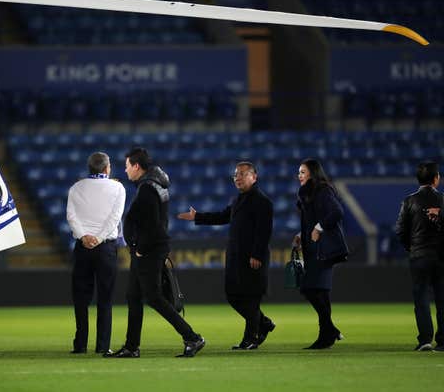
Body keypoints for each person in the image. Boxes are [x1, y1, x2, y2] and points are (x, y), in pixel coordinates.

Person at [105, 147, 205, 358]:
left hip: (149, 250)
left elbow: (153, 225)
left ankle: (192, 337)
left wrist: (140, 249)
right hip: (149, 249)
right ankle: (132, 347)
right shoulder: (153, 184)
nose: (125, 171)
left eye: (127, 166)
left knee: (154, 297)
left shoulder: (148, 189)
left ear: (137, 166)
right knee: (133, 296)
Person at [177, 161, 275, 350]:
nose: (238, 178)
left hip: (252, 257)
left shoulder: (262, 201)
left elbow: (264, 232)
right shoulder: (238, 200)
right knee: (233, 295)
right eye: (236, 175)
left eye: (242, 174)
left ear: (254, 177)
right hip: (236, 256)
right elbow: (223, 216)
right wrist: (198, 217)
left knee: (251, 298)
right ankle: (264, 323)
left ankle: (251, 338)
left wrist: (257, 255)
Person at [66, 152, 126, 354]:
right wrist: (99, 238)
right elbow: (115, 218)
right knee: (105, 298)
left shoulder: (76, 187)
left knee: (81, 298)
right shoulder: (118, 188)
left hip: (82, 248)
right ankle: (103, 346)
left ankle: (80, 344)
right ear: (107, 168)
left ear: (89, 167)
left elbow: (71, 217)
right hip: (106, 248)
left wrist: (84, 237)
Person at [293, 158, 346, 349]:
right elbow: (312, 219)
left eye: (303, 172)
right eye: (299, 172)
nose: (299, 175)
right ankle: (327, 334)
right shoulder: (308, 193)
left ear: (313, 174)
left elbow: (337, 212)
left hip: (323, 250)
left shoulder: (323, 190)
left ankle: (328, 332)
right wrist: (302, 234)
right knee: (319, 292)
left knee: (310, 289)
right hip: (313, 248)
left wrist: (319, 227)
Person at [395, 161, 444, 352]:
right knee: (442, 299)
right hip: (441, 257)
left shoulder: (409, 201)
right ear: (436, 179)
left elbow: (400, 230)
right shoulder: (443, 200)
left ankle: (425, 339)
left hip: (419, 256)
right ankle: (442, 341)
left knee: (421, 298)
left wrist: (411, 247)